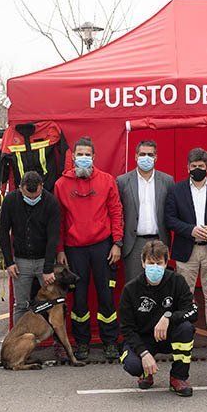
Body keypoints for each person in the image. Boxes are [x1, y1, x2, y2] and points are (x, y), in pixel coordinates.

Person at [53, 136, 124, 361]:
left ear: (94, 157)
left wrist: (117, 243)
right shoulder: (61, 185)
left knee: (106, 297)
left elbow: (116, 212)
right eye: (79, 154)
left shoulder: (107, 180)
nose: (83, 158)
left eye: (87, 155)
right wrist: (60, 249)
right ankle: (81, 343)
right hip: (74, 249)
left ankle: (110, 342)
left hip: (102, 247)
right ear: (72, 157)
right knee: (79, 299)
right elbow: (60, 221)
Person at [164, 147, 207, 354]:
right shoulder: (176, 190)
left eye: (201, 166)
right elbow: (170, 219)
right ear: (187, 167)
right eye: (193, 166)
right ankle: (184, 333)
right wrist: (190, 230)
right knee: (184, 295)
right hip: (187, 248)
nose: (197, 170)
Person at [118, 240, 198, 397]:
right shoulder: (130, 289)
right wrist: (143, 353)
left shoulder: (177, 281)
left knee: (186, 328)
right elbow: (126, 328)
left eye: (159, 263)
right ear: (143, 263)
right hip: (143, 340)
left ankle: (178, 377)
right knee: (133, 365)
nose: (154, 267)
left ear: (166, 263)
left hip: (169, 336)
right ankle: (145, 372)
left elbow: (193, 311)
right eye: (150, 263)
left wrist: (169, 317)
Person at [0, 170, 61, 323]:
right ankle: (17, 343)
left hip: (44, 259)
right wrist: (9, 262)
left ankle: (56, 341)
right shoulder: (10, 201)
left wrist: (48, 268)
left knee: (53, 304)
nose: (32, 199)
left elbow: (53, 236)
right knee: (21, 305)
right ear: (20, 188)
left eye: (36, 196)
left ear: (42, 186)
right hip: (21, 262)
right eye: (28, 196)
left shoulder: (51, 202)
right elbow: (3, 232)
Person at [117, 140, 174, 284]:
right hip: (133, 243)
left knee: (160, 284)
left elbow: (172, 211)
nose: (146, 158)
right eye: (142, 154)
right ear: (135, 156)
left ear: (156, 157)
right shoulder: (123, 181)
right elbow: (117, 213)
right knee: (134, 285)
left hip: (160, 240)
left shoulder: (167, 180)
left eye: (150, 154)